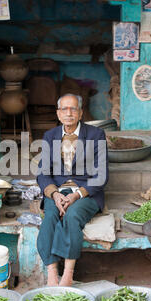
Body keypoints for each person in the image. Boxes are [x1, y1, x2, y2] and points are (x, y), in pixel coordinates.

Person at [36, 93, 109, 287]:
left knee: (72, 215)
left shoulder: (96, 135)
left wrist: (77, 195)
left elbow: (101, 175)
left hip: (86, 192)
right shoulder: (50, 136)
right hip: (58, 190)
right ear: (58, 114)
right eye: (64, 109)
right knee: (50, 214)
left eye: (73, 109)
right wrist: (54, 193)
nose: (69, 113)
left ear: (81, 112)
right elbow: (43, 173)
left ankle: (68, 274)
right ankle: (52, 272)